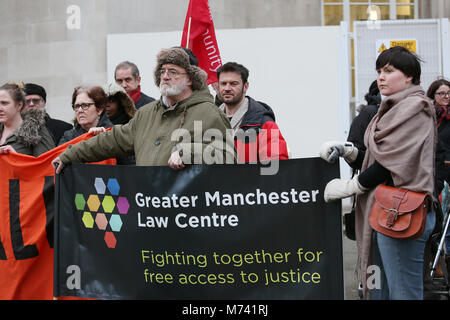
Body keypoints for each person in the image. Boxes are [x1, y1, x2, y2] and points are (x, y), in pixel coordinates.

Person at [320, 46, 436, 299]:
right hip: (386, 210)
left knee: (403, 293)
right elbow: (378, 159)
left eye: (388, 71)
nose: (380, 77)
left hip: (403, 211)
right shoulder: (391, 109)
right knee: (381, 292)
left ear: (409, 77)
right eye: (379, 71)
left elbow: (390, 165)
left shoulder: (416, 108)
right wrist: (349, 152)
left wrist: (351, 187)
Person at [52, 47, 235, 172]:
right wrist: (69, 155)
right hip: (150, 214)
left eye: (173, 72)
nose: (165, 76)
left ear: (190, 79)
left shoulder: (209, 113)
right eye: (162, 71)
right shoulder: (146, 113)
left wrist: (187, 152)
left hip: (191, 214)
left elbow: (227, 155)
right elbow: (112, 140)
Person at [216, 62, 289, 163]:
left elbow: (276, 167)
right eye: (223, 83)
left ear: (245, 86)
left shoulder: (264, 123)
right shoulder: (209, 119)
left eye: (233, 84)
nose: (227, 88)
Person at [426, 78, 450, 277]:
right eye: (441, 93)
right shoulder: (427, 117)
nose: (446, 97)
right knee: (437, 217)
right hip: (435, 172)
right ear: (432, 95)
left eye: (449, 93)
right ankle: (437, 257)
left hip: (447, 170)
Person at [0, 82, 55, 156]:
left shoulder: (36, 130)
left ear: (19, 105)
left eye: (4, 103)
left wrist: (17, 158)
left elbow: (47, 164)